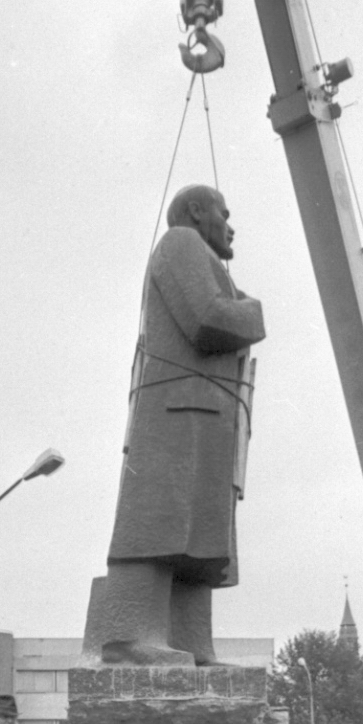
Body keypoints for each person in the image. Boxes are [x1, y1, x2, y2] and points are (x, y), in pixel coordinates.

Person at [99, 184, 266, 666]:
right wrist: (253, 309)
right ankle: (128, 637)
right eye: (223, 214)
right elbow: (209, 319)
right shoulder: (181, 242)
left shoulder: (204, 257)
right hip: (177, 409)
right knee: (156, 523)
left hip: (205, 413)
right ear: (196, 211)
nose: (230, 227)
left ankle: (193, 645)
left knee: (200, 537)